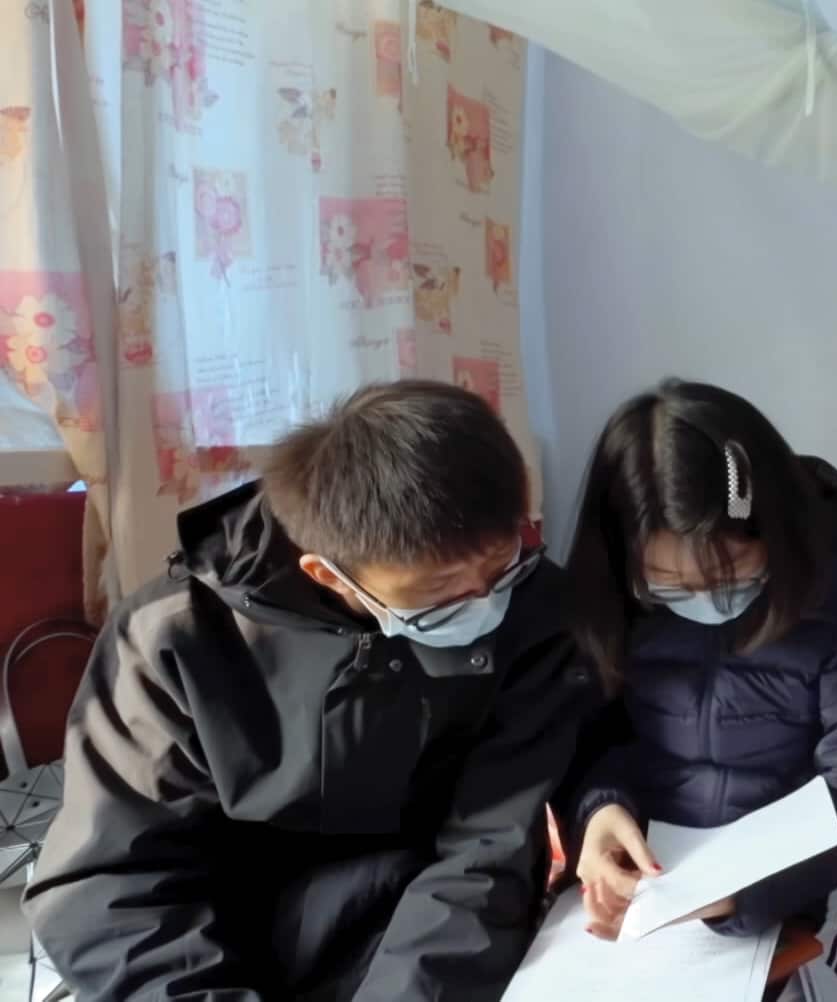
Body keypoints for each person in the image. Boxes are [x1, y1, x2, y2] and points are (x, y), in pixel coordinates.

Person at [24, 380, 596, 1002]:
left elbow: (488, 847)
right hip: (214, 944)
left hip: (419, 929)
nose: (485, 603)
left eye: (501, 563)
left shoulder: (531, 607)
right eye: (439, 597)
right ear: (328, 573)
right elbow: (112, 883)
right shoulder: (175, 642)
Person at [564, 379, 837, 991]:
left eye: (732, 574)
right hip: (646, 886)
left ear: (771, 531)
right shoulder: (611, 592)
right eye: (668, 584)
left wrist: (741, 893)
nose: (703, 599)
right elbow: (595, 738)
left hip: (783, 888)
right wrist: (600, 812)